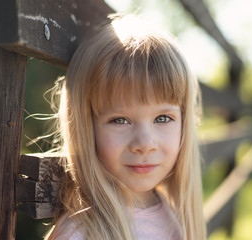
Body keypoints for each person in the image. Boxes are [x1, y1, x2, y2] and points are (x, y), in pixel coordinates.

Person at [45, 14, 206, 240]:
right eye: (119, 120)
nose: (145, 144)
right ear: (85, 127)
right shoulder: (81, 234)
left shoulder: (175, 217)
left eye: (162, 118)